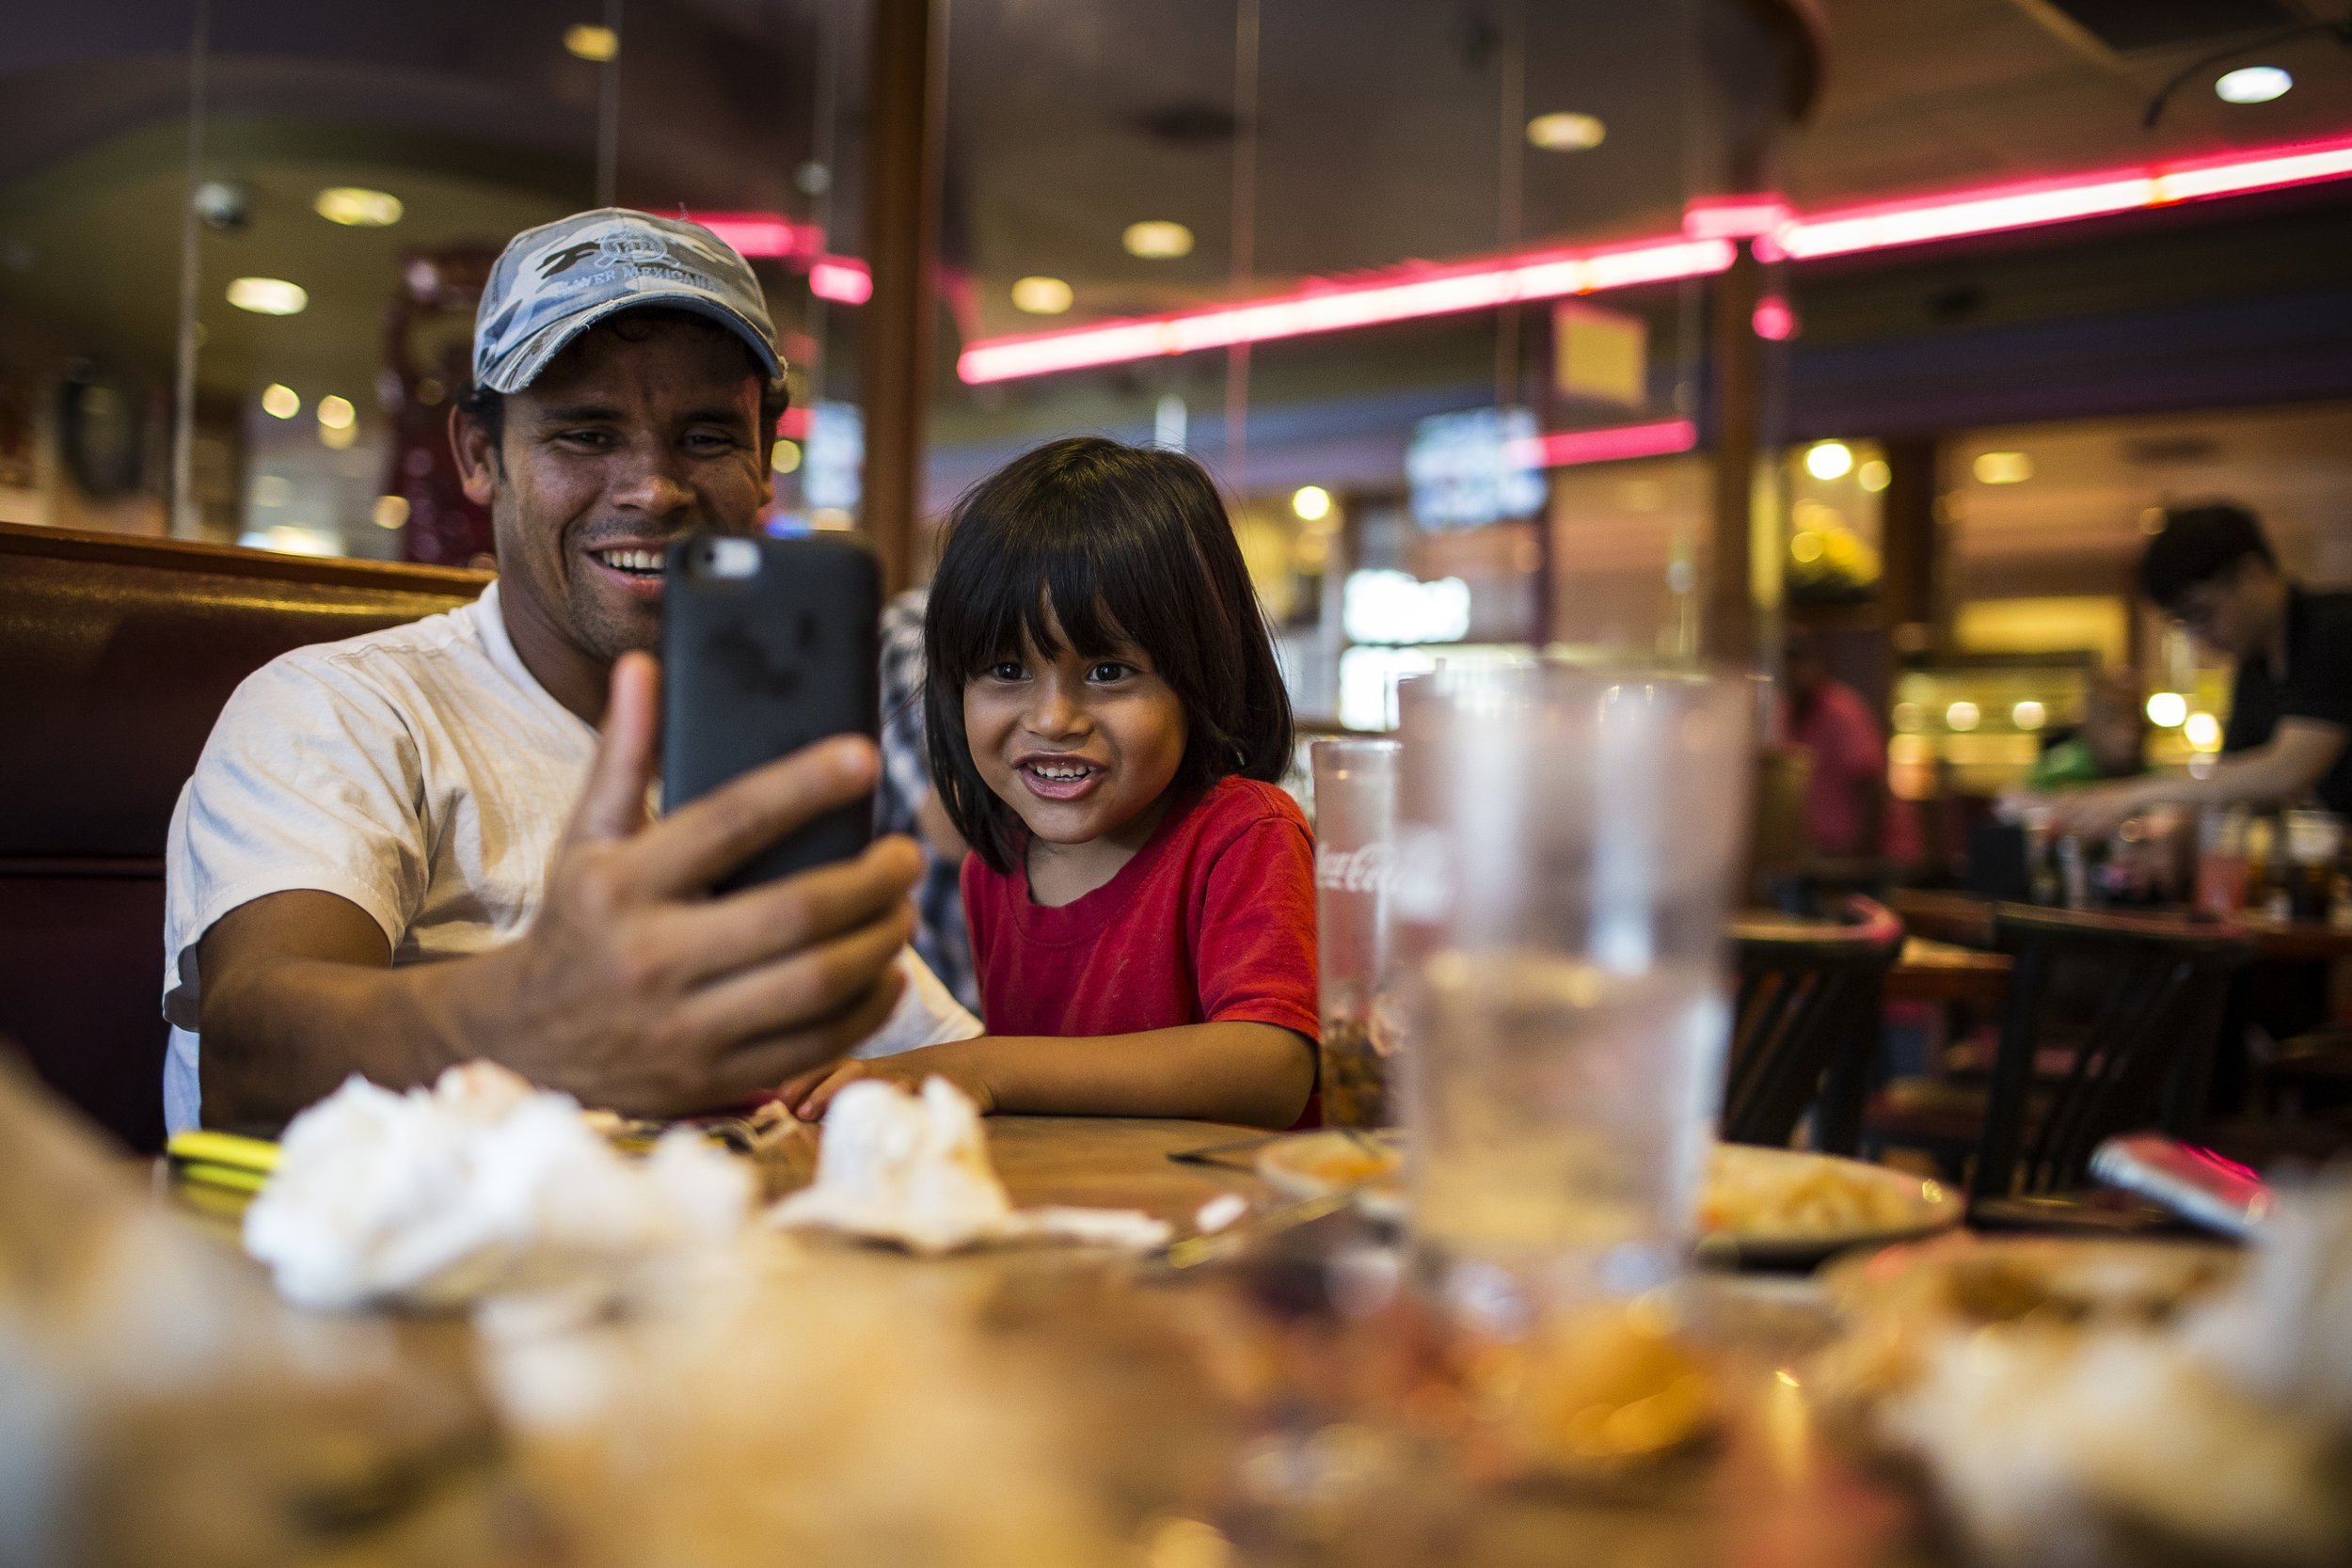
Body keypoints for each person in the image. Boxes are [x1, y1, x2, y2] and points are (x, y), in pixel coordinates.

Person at [165, 209, 977, 1134]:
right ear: (480, 455)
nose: (654, 487)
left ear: (762, 466)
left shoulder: (748, 758)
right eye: (586, 434)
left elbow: (937, 1059)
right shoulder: (339, 709)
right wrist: (537, 1014)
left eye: (707, 437)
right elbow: (249, 1050)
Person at [775, 437, 1318, 1129]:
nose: (1053, 718)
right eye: (1006, 670)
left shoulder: (1244, 833)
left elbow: (1270, 1066)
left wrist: (986, 1066)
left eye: (1107, 671)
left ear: (1201, 675)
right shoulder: (992, 867)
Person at [2039, 503, 2352, 835]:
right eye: (2185, 623)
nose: (2199, 637)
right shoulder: (2254, 667)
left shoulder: (2333, 631)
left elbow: (2284, 772)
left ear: (2252, 574)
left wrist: (2134, 795)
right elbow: (2235, 780)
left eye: (2202, 613)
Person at [875, 586, 978, 1010]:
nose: (1053, 718)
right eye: (1008, 671)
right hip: (941, 994)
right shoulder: (918, 628)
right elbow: (958, 826)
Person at [1783, 630, 1888, 859]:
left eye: (1799, 663)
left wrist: (1858, 858)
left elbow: (1871, 787)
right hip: (1822, 852)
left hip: (1860, 857)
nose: (1792, 673)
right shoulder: (1786, 711)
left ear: (1815, 665)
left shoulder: (1840, 710)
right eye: (1786, 664)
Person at [2020, 671, 2147, 793]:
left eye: (2137, 718)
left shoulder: (2149, 772)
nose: (2130, 732)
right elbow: (2013, 798)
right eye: (2112, 719)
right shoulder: (2060, 769)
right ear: (2088, 725)